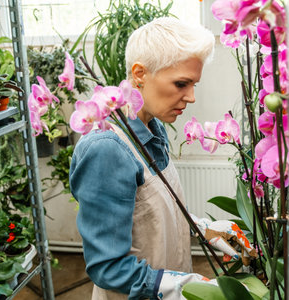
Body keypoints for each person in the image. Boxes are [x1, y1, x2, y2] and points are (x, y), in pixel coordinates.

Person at [70, 17, 257, 300]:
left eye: (193, 84)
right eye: (181, 83)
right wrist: (191, 287)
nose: (191, 97)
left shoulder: (153, 128)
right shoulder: (106, 149)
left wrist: (204, 228)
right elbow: (108, 268)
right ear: (140, 73)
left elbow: (148, 213)